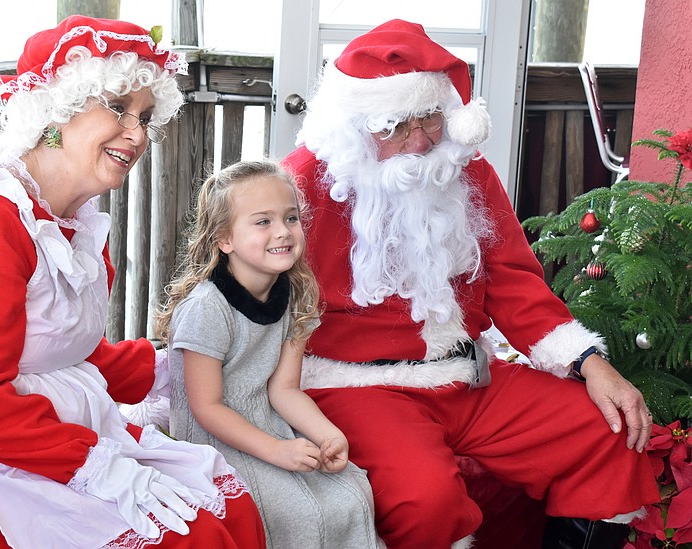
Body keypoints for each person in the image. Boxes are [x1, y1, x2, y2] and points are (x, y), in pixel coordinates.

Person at [0, 16, 265, 549]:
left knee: (229, 505)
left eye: (146, 117)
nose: (137, 134)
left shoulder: (71, 220)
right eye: (118, 108)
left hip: (38, 426)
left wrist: (177, 366)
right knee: (189, 538)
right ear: (57, 110)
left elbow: (58, 348)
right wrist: (99, 469)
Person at [280, 19, 660, 549]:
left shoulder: (463, 170)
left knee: (606, 435)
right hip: (357, 387)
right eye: (395, 126)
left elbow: (513, 282)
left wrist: (590, 364)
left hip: (468, 378)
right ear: (354, 127)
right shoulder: (298, 183)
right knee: (426, 502)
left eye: (431, 119)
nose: (419, 142)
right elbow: (251, 297)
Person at [155, 160, 381, 549]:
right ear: (224, 239)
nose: (283, 231)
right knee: (293, 512)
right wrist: (277, 451)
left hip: (269, 424)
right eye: (263, 222)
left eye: (291, 218)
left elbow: (284, 390)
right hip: (215, 439)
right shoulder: (207, 308)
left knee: (351, 494)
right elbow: (207, 408)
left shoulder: (293, 295)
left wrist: (328, 435)